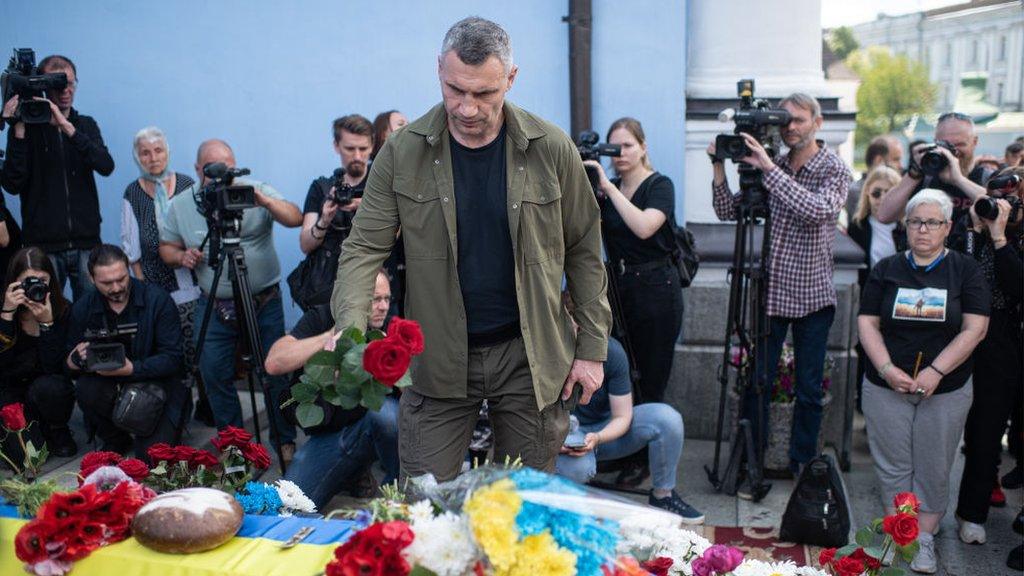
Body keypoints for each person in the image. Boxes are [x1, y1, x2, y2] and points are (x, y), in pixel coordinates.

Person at [331, 16, 611, 482]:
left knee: (522, 508)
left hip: (530, 355)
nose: (466, 108)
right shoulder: (402, 152)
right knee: (422, 502)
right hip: (437, 354)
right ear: (439, 68)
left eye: (484, 94)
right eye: (455, 89)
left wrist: (592, 348)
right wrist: (350, 329)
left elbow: (584, 247)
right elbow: (363, 248)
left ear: (511, 79)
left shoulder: (551, 148)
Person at [708, 92, 850, 478]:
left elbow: (818, 211)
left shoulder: (833, 168)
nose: (789, 127)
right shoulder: (774, 164)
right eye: (784, 120)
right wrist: (719, 167)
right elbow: (727, 211)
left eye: (799, 120)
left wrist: (770, 169)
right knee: (758, 381)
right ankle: (752, 460)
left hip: (813, 293)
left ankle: (802, 463)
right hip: (771, 291)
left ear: (817, 123)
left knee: (807, 389)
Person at [857, 189, 990, 574]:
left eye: (932, 222)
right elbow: (867, 321)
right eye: (915, 221)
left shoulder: (966, 270)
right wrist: (885, 368)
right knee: (893, 465)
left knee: (933, 463)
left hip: (946, 388)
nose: (923, 230)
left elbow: (976, 328)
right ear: (906, 226)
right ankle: (905, 538)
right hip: (887, 385)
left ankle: (925, 538)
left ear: (948, 227)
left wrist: (936, 371)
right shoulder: (887, 267)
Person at [159, 139, 302, 463]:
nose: (223, 179)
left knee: (275, 372)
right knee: (212, 373)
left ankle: (284, 439)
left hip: (263, 301)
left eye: (228, 168)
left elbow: (295, 218)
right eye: (213, 171)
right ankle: (237, 448)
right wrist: (182, 255)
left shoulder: (253, 189)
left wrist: (263, 200)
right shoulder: (182, 204)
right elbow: (166, 247)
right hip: (215, 303)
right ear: (197, 171)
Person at [265, 270, 397, 509]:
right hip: (332, 436)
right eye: (375, 299)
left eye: (387, 299)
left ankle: (397, 497)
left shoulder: (390, 327)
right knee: (288, 506)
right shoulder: (324, 316)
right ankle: (350, 474)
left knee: (387, 416)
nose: (383, 307)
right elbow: (274, 362)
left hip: (372, 429)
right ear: (353, 298)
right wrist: (330, 336)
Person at [1, 55, 115, 299]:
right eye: (58, 84)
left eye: (71, 83)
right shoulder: (26, 129)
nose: (66, 91)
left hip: (87, 242)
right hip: (43, 246)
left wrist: (66, 127)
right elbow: (11, 184)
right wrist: (18, 130)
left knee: (92, 315)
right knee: (45, 315)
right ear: (43, 86)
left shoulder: (84, 125)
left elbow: (105, 165)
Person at [556, 337, 704, 523]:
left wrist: (599, 437)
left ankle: (663, 496)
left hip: (605, 430)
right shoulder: (546, 348)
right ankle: (566, 508)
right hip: (562, 433)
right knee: (579, 468)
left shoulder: (611, 350)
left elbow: (622, 416)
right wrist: (554, 441)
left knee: (667, 419)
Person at [584, 117, 680, 404]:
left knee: (651, 374)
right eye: (614, 148)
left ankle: (650, 437)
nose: (621, 153)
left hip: (657, 291)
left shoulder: (660, 185)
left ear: (643, 147)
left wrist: (608, 189)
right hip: (619, 290)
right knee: (620, 372)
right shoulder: (607, 187)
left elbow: (644, 227)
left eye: (628, 145)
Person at [953, 166, 1023, 546]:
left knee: (986, 433)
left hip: (1000, 342)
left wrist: (1000, 238)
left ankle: (973, 513)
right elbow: (956, 273)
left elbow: (1017, 285)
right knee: (943, 430)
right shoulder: (968, 232)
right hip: (956, 337)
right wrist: (973, 231)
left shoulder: (1016, 237)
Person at [66, 245, 187, 459]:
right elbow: (68, 365)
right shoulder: (83, 307)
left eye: (121, 279)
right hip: (108, 387)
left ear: (128, 271)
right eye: (106, 283)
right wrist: (75, 359)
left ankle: (159, 429)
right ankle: (115, 437)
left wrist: (132, 369)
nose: (116, 287)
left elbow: (173, 359)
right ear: (91, 278)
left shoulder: (157, 300)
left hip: (158, 386)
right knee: (86, 388)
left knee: (151, 459)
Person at [120, 127, 203, 402]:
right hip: (156, 290)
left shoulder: (187, 185)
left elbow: (200, 230)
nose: (153, 157)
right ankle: (178, 407)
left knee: (198, 349)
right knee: (169, 351)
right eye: (145, 152)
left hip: (192, 283)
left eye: (158, 150)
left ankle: (205, 404)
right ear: (137, 157)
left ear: (167, 153)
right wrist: (143, 290)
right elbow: (131, 250)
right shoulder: (133, 193)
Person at [0, 247, 77, 458]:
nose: (36, 286)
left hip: (47, 392)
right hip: (11, 391)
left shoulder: (64, 309)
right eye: (28, 281)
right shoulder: (4, 307)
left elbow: (56, 368)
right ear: (14, 282)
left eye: (42, 279)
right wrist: (6, 315)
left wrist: (47, 324)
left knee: (52, 386)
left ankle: (57, 429)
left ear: (51, 278)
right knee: (24, 457)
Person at [293, 115, 375, 311]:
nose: (357, 156)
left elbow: (398, 233)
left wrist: (367, 207)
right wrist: (325, 219)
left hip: (374, 285)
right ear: (336, 146)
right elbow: (305, 244)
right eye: (349, 148)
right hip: (328, 289)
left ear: (372, 147)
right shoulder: (322, 188)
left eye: (363, 149)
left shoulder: (381, 185)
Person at [848, 166, 906, 411]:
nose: (882, 198)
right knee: (866, 350)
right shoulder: (859, 226)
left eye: (889, 193)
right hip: (868, 300)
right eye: (876, 193)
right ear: (867, 195)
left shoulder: (905, 229)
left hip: (898, 302)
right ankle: (865, 403)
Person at [877, 112, 992, 228]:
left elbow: (1001, 211)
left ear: (974, 142)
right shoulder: (925, 177)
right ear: (935, 142)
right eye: (947, 145)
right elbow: (884, 216)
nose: (953, 152)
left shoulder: (988, 178)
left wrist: (959, 180)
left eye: (960, 144)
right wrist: (915, 172)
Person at [843, 135, 902, 230]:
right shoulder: (855, 191)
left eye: (889, 192)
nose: (900, 165)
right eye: (896, 159)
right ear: (879, 160)